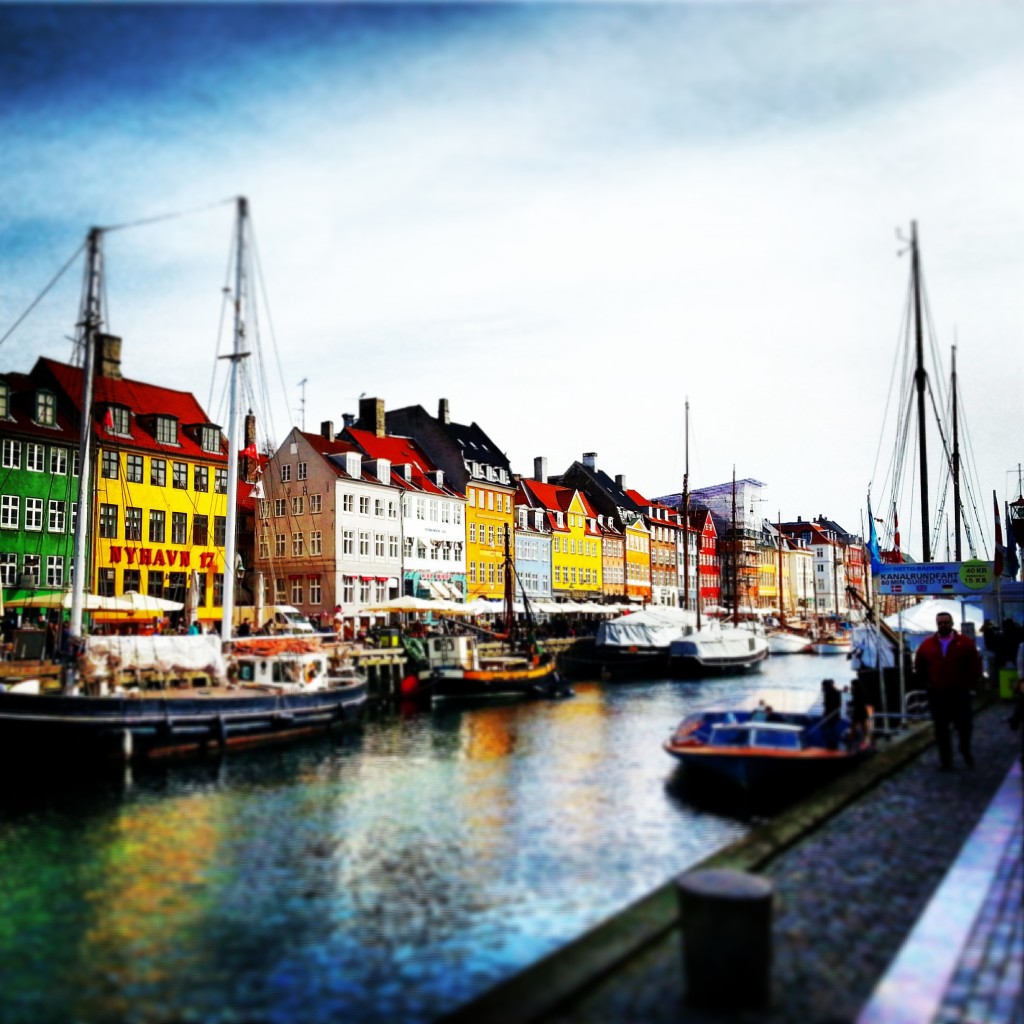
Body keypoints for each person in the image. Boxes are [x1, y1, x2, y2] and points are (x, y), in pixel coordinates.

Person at [914, 610, 982, 770]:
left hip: (960, 692)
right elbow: (919, 666)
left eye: (946, 622)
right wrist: (928, 684)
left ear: (951, 623)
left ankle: (964, 750)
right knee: (941, 729)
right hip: (938, 693)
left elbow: (975, 665)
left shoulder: (964, 643)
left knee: (965, 726)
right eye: (940, 623)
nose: (943, 625)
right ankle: (946, 761)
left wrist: (970, 683)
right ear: (936, 624)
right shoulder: (927, 645)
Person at [821, 678, 842, 749]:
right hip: (834, 714)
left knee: (828, 729)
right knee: (832, 729)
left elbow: (827, 704)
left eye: (823, 686)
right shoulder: (836, 692)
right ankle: (833, 744)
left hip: (829, 714)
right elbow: (839, 705)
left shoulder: (827, 692)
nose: (822, 687)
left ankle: (830, 745)